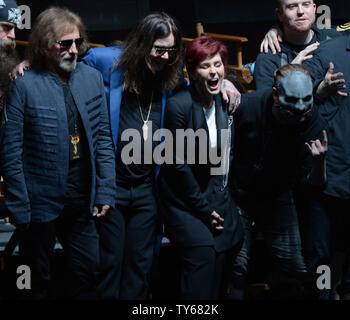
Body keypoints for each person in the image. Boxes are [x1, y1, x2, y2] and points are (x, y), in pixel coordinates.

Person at [82, 13, 241, 300]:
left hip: (146, 190)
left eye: (171, 50)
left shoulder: (171, 74)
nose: (165, 56)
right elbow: (72, 60)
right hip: (113, 187)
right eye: (159, 48)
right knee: (109, 266)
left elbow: (207, 72)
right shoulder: (110, 61)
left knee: (139, 270)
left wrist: (227, 83)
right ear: (142, 44)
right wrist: (30, 63)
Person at [0, 6, 116, 299]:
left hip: (81, 201)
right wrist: (19, 206)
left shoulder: (90, 79)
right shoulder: (24, 86)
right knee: (35, 279)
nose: (74, 49)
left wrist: (105, 190)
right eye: (65, 44)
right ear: (44, 46)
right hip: (38, 204)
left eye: (78, 42)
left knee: (88, 271)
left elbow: (103, 139)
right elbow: (11, 152)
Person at [158, 36, 244, 300]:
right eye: (205, 66)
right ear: (192, 72)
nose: (213, 71)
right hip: (182, 200)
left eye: (218, 65)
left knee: (230, 244)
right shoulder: (179, 106)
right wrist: (205, 211)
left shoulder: (222, 101)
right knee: (203, 252)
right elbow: (177, 166)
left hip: (211, 193)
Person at [232, 64, 328, 296]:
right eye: (292, 101)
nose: (301, 108)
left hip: (276, 196)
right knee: (236, 266)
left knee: (294, 267)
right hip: (237, 195)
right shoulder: (249, 106)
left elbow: (315, 186)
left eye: (307, 99)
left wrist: (319, 162)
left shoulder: (313, 123)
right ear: (276, 94)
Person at [301, 33, 350, 300]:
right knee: (320, 258)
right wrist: (320, 90)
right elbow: (294, 90)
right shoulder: (329, 49)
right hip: (328, 177)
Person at [254, 0, 342, 91]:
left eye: (306, 4)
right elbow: (265, 102)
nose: (300, 11)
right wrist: (288, 74)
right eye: (292, 6)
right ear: (279, 14)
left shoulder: (333, 38)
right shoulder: (268, 58)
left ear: (314, 8)